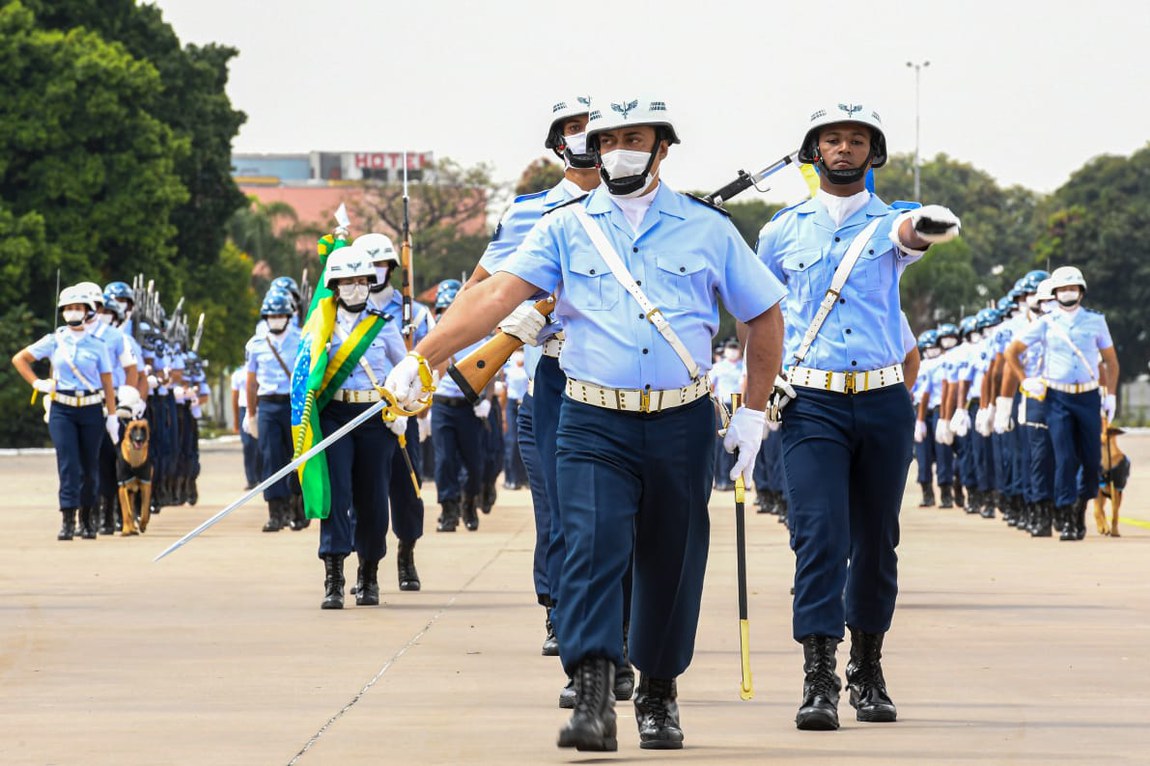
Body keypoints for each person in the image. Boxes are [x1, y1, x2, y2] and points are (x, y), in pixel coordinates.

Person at [386, 95, 785, 752]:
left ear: (663, 147)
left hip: (681, 419)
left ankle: (658, 692)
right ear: (593, 150)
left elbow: (762, 315)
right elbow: (495, 295)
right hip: (592, 417)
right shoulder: (563, 227)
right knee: (591, 547)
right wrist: (423, 359)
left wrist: (751, 410)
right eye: (609, 138)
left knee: (672, 558)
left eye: (636, 137)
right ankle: (595, 691)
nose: (620, 148)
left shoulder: (707, 228)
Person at [756, 102, 960, 730]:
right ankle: (818, 677)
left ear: (875, 154)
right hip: (810, 401)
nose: (844, 149)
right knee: (819, 534)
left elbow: (912, 236)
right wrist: (755, 393)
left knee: (876, 539)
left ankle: (867, 670)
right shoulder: (780, 231)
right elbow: (759, 316)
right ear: (814, 152)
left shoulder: (895, 220)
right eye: (832, 140)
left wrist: (928, 226)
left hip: (881, 398)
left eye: (857, 141)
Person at [463, 96, 603, 664]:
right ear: (557, 142)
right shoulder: (529, 212)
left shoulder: (644, 210)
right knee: (557, 505)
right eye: (574, 129)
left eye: (597, 128)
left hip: (618, 374)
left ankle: (611, 617)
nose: (587, 138)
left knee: (612, 511)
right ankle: (559, 608)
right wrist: (522, 313)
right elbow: (477, 289)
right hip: (555, 372)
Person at [293, 243, 408, 608]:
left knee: (373, 497)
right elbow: (300, 379)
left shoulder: (385, 327)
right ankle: (334, 576)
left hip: (374, 419)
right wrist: (317, 361)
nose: (356, 287)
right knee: (336, 495)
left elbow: (407, 373)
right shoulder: (317, 327)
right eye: (347, 281)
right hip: (334, 417)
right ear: (334, 285)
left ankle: (369, 574)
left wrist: (402, 413)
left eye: (362, 280)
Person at [1006, 266, 1119, 541]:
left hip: (1088, 395)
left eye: (1073, 288)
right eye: (1063, 289)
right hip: (1057, 397)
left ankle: (1080, 508)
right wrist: (1024, 380)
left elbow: (1111, 361)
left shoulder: (1096, 321)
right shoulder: (1047, 322)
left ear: (1081, 291)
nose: (1068, 293)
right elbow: (1012, 352)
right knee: (1065, 458)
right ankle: (1067, 517)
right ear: (1055, 293)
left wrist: (1111, 394)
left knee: (1092, 460)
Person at [12, 284, 118, 540]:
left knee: (89, 466)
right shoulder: (55, 340)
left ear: (87, 311)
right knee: (68, 465)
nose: (73, 312)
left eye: (78, 308)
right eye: (69, 308)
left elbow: (107, 383)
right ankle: (68, 519)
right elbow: (20, 359)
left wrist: (112, 416)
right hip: (63, 409)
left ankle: (88, 518)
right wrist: (37, 383)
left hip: (91, 408)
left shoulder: (98, 345)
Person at [361, 231, 433, 590]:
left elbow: (434, 358)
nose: (374, 272)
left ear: (391, 267)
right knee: (364, 493)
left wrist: (411, 406)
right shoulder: (347, 314)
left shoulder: (416, 313)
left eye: (380, 264)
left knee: (407, 488)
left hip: (402, 414)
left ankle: (407, 554)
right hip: (362, 414)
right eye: (367, 265)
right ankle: (366, 564)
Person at [427, 279, 491, 532]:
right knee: (444, 461)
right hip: (442, 405)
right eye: (442, 310)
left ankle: (469, 503)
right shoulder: (433, 337)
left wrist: (486, 399)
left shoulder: (478, 335)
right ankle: (448, 509)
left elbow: (491, 368)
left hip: (469, 406)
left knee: (473, 461)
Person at [245, 290, 303, 532]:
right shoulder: (255, 344)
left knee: (296, 456)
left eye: (281, 314)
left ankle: (297, 508)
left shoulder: (301, 339)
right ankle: (275, 512)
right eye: (272, 315)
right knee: (270, 458)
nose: (276, 318)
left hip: (293, 404)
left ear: (289, 316)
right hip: (267, 404)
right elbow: (251, 381)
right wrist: (251, 414)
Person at [232, 364, 261, 489]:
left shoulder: (263, 369)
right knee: (248, 445)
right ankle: (251, 479)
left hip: (261, 407)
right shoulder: (238, 373)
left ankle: (263, 477)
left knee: (262, 446)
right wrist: (236, 419)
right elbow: (235, 396)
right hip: (244, 408)